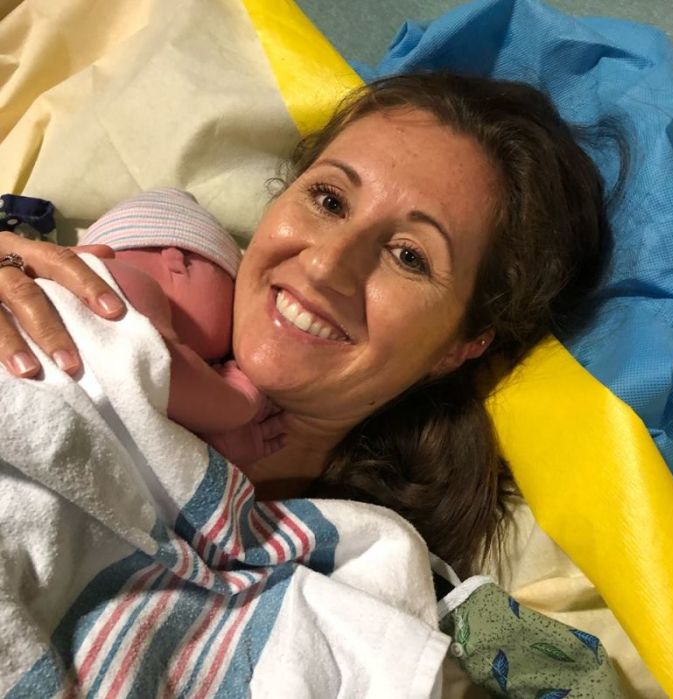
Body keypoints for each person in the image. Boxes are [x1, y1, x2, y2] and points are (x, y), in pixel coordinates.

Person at [0, 72, 614, 579]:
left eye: (408, 255)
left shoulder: (359, 566)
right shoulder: (100, 304)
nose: (324, 266)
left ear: (460, 346)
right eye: (328, 200)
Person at [79, 187, 286, 465]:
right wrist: (237, 400)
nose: (214, 368)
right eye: (211, 362)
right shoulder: (109, 278)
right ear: (177, 262)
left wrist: (213, 452)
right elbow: (161, 368)